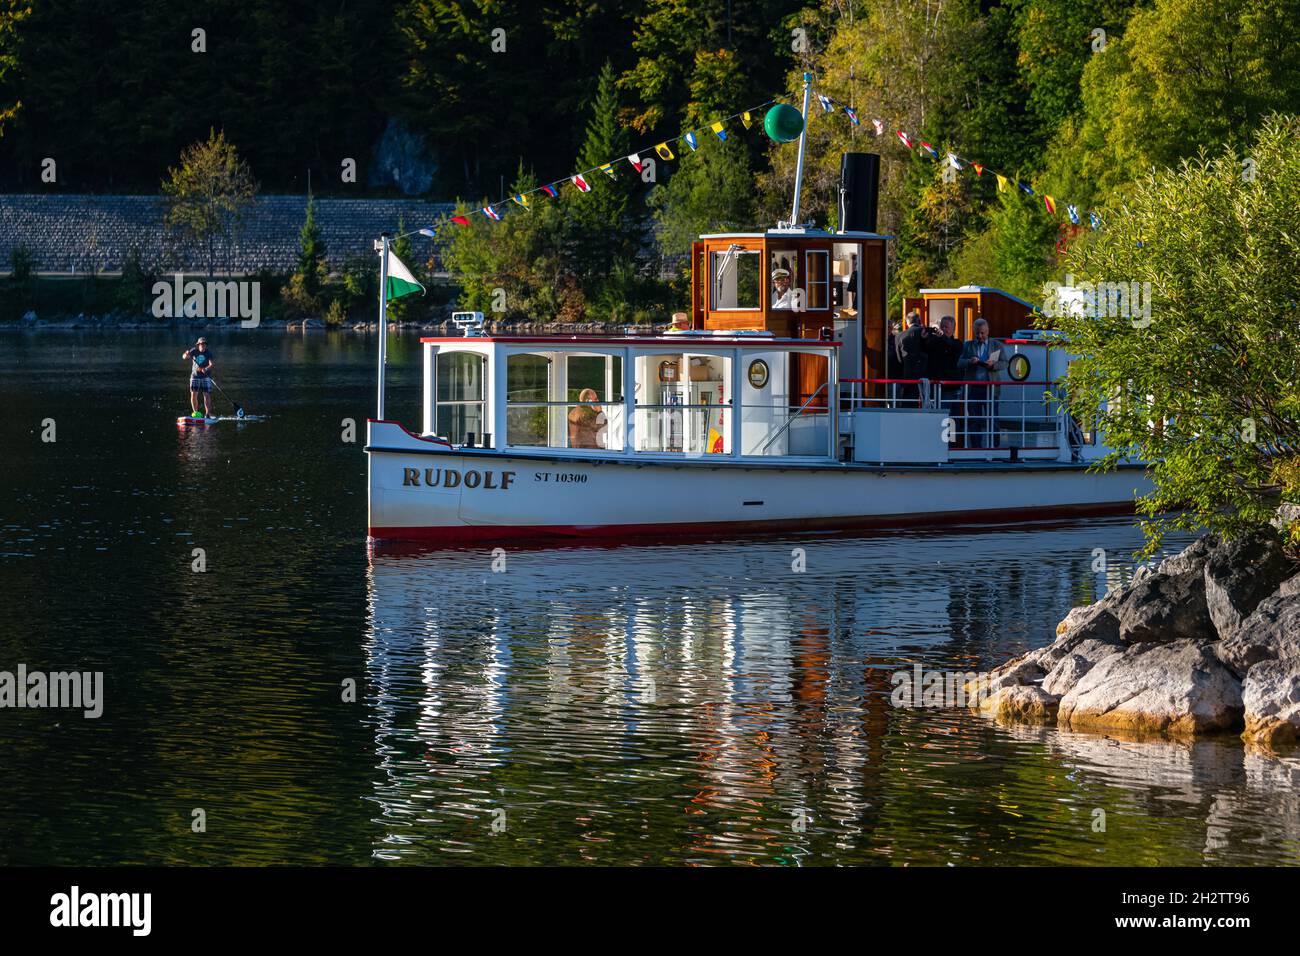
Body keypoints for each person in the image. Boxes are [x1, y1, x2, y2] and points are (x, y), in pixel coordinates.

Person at [958, 317, 1006, 449]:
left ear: (988, 331)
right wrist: (969, 361)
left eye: (982, 333)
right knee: (974, 420)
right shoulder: (967, 345)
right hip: (973, 388)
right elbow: (959, 362)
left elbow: (1005, 363)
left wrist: (993, 365)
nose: (980, 336)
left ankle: (994, 448)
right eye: (977, 333)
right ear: (974, 332)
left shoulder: (997, 345)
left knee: (993, 420)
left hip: (991, 388)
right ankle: (976, 448)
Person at [924, 315, 963, 433]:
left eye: (947, 327)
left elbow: (953, 347)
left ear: (953, 329)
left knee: (951, 419)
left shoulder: (957, 343)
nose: (943, 329)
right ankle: (937, 443)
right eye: (942, 327)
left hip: (950, 388)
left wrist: (942, 338)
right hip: (935, 387)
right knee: (936, 418)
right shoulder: (934, 341)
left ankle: (951, 445)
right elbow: (925, 349)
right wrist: (924, 337)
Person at [898, 311, 929, 403]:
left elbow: (898, 357)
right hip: (925, 375)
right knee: (926, 402)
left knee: (908, 402)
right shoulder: (926, 332)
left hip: (906, 374)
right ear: (919, 321)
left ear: (907, 322)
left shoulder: (899, 336)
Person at [182, 337, 215, 419]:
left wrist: (205, 369)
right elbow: (184, 357)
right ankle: (195, 413)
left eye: (204, 344)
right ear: (198, 345)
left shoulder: (208, 353)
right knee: (194, 394)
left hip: (205, 376)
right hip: (195, 376)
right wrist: (186, 354)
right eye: (201, 344)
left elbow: (211, 364)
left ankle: (207, 414)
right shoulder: (193, 351)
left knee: (206, 395)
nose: (203, 345)